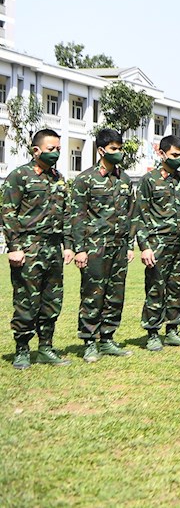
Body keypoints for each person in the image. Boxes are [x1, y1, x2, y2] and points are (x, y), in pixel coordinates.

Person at [1, 129, 73, 369]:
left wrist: (68, 245)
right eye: (51, 149)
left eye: (59, 149)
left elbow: (66, 214)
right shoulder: (19, 176)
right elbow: (8, 212)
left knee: (52, 300)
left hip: (53, 247)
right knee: (26, 300)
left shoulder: (59, 179)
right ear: (36, 150)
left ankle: (46, 347)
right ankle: (22, 349)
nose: (56, 153)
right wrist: (14, 247)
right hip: (28, 247)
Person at [69, 128, 135, 362]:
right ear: (101, 150)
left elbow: (130, 214)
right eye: (113, 149)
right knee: (93, 294)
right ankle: (89, 342)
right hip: (95, 245)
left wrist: (128, 245)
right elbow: (77, 216)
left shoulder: (125, 179)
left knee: (115, 294)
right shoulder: (85, 179)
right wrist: (80, 249)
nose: (118, 153)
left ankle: (107, 338)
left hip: (118, 245)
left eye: (120, 149)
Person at [134, 135, 180, 351]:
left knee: (178, 289)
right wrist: (144, 246)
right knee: (155, 288)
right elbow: (139, 216)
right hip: (158, 243)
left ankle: (172, 330)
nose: (178, 159)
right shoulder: (148, 181)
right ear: (161, 154)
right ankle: (152, 333)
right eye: (174, 155)